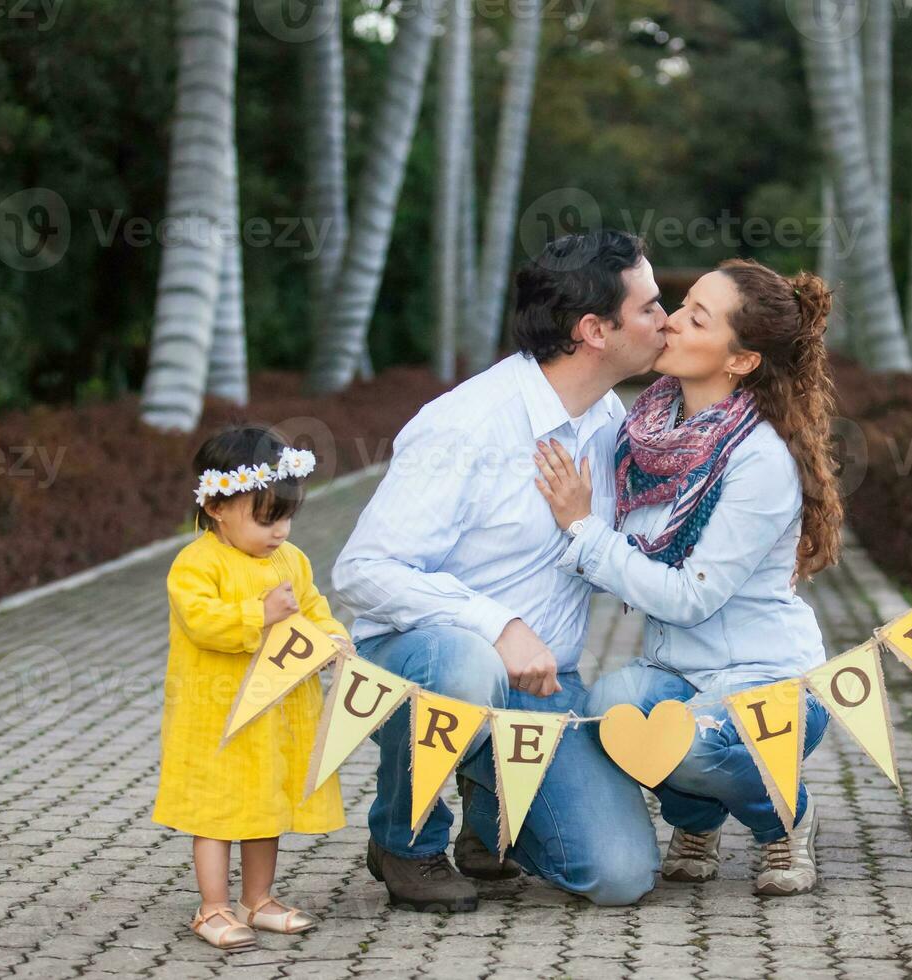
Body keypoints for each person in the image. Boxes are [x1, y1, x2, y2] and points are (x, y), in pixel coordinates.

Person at [332, 230, 667, 911]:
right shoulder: (466, 424)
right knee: (466, 661)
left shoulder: (611, 420)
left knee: (620, 874)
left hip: (546, 687)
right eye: (651, 307)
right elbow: (362, 569)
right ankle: (406, 840)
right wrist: (498, 624)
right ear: (594, 330)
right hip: (425, 660)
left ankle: (493, 816)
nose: (667, 320)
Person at [534, 259, 842, 896]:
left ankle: (785, 815)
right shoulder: (646, 432)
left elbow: (692, 598)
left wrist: (582, 530)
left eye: (696, 319)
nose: (669, 323)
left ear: (740, 361)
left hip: (767, 685)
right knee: (610, 708)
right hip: (678, 669)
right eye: (680, 306)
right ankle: (696, 817)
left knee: (689, 744)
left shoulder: (759, 459)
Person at [153, 426, 351, 951]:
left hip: (277, 712)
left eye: (286, 517)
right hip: (217, 714)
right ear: (218, 507)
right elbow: (201, 621)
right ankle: (212, 906)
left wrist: (334, 641)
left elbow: (314, 609)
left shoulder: (292, 561)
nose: (280, 531)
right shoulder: (196, 563)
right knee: (216, 809)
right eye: (266, 519)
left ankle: (257, 899)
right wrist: (258, 614)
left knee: (266, 804)